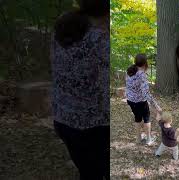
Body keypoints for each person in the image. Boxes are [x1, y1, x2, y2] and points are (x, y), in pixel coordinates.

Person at [50, 0, 109, 179]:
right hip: (92, 128)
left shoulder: (62, 29)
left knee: (88, 172)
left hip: (63, 120)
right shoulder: (100, 40)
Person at [126, 54, 162, 145]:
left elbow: (129, 86)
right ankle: (149, 139)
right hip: (140, 102)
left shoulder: (129, 71)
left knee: (137, 118)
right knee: (146, 119)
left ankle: (138, 139)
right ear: (145, 63)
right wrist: (156, 106)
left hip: (130, 100)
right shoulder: (142, 75)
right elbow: (146, 93)